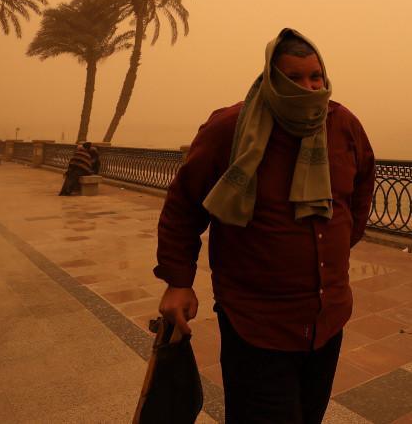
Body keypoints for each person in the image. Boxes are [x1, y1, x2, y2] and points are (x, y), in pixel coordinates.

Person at [155, 28, 375, 423]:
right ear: (271, 79)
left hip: (327, 317)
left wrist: (336, 246)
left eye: (315, 77)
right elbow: (184, 205)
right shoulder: (232, 128)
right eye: (293, 78)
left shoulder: (343, 125)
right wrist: (178, 280)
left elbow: (361, 190)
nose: (308, 87)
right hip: (256, 324)